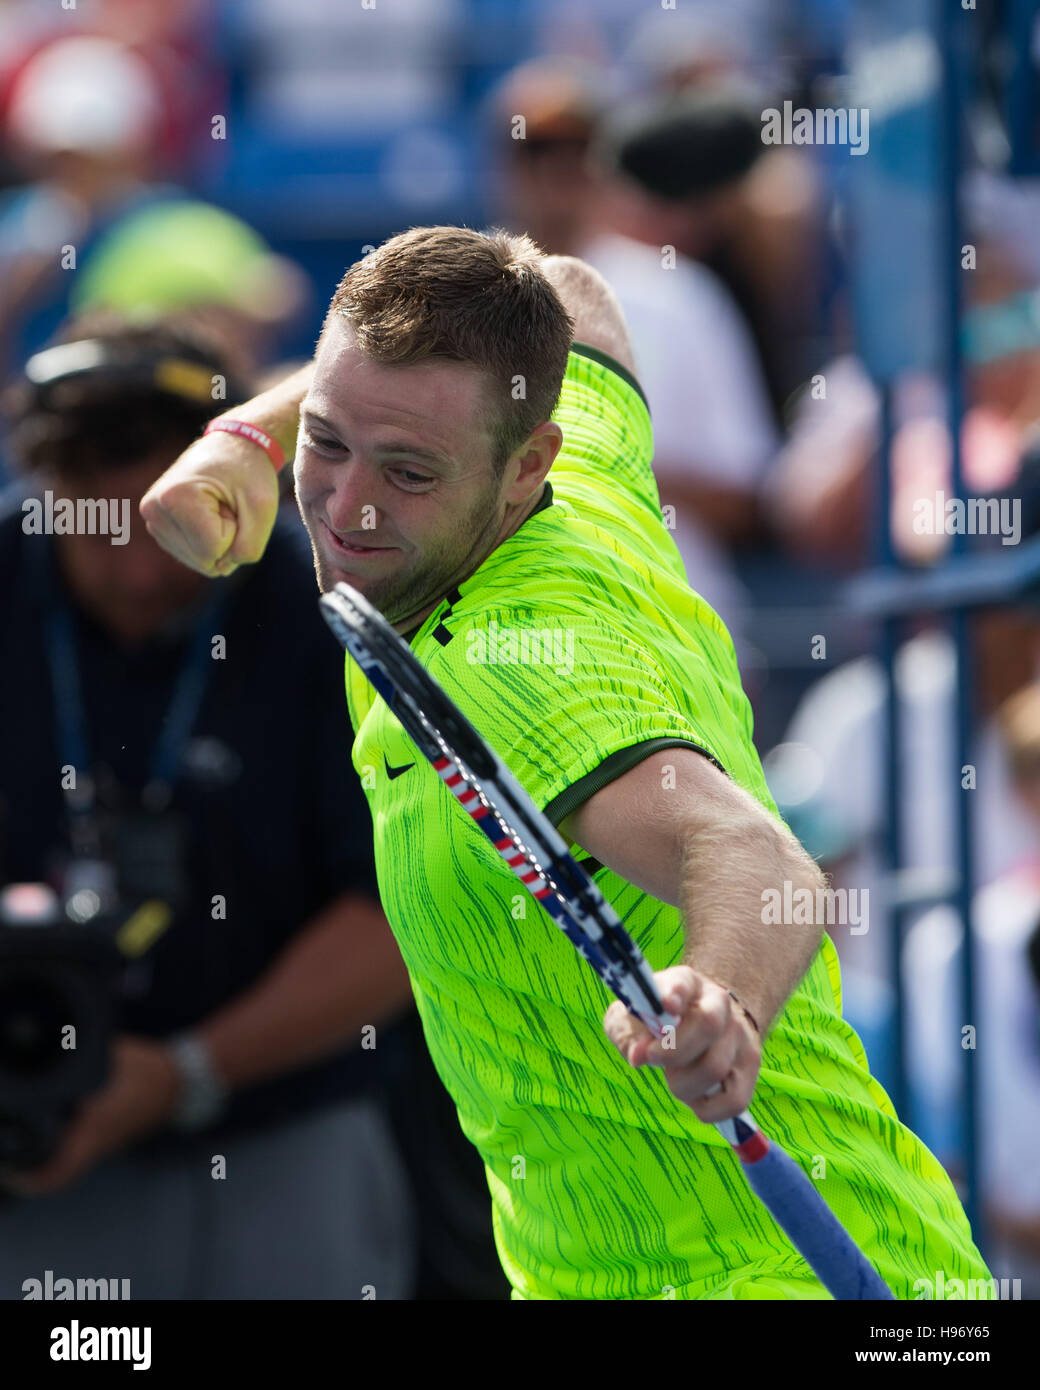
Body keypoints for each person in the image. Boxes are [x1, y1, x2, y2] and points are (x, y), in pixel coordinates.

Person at [141, 226, 989, 1300]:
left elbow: (753, 857)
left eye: (405, 471)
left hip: (749, 1276)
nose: (348, 506)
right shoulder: (573, 465)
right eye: (326, 440)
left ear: (520, 463)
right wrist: (245, 437)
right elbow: (560, 283)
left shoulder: (511, 664)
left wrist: (717, 995)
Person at [0, 313, 416, 1299]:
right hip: (30, 1149)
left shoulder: (333, 607)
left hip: (288, 1127)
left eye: (170, 530)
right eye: (101, 536)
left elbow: (400, 914)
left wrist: (182, 1071)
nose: (142, 575)